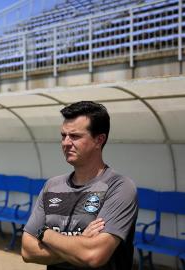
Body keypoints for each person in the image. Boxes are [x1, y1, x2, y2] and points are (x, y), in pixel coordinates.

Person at [21, 101, 138, 269]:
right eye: (63, 136)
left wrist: (44, 233)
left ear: (99, 140)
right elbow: (27, 251)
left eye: (75, 136)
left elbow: (93, 256)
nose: (66, 143)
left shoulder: (119, 187)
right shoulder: (52, 186)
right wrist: (81, 243)